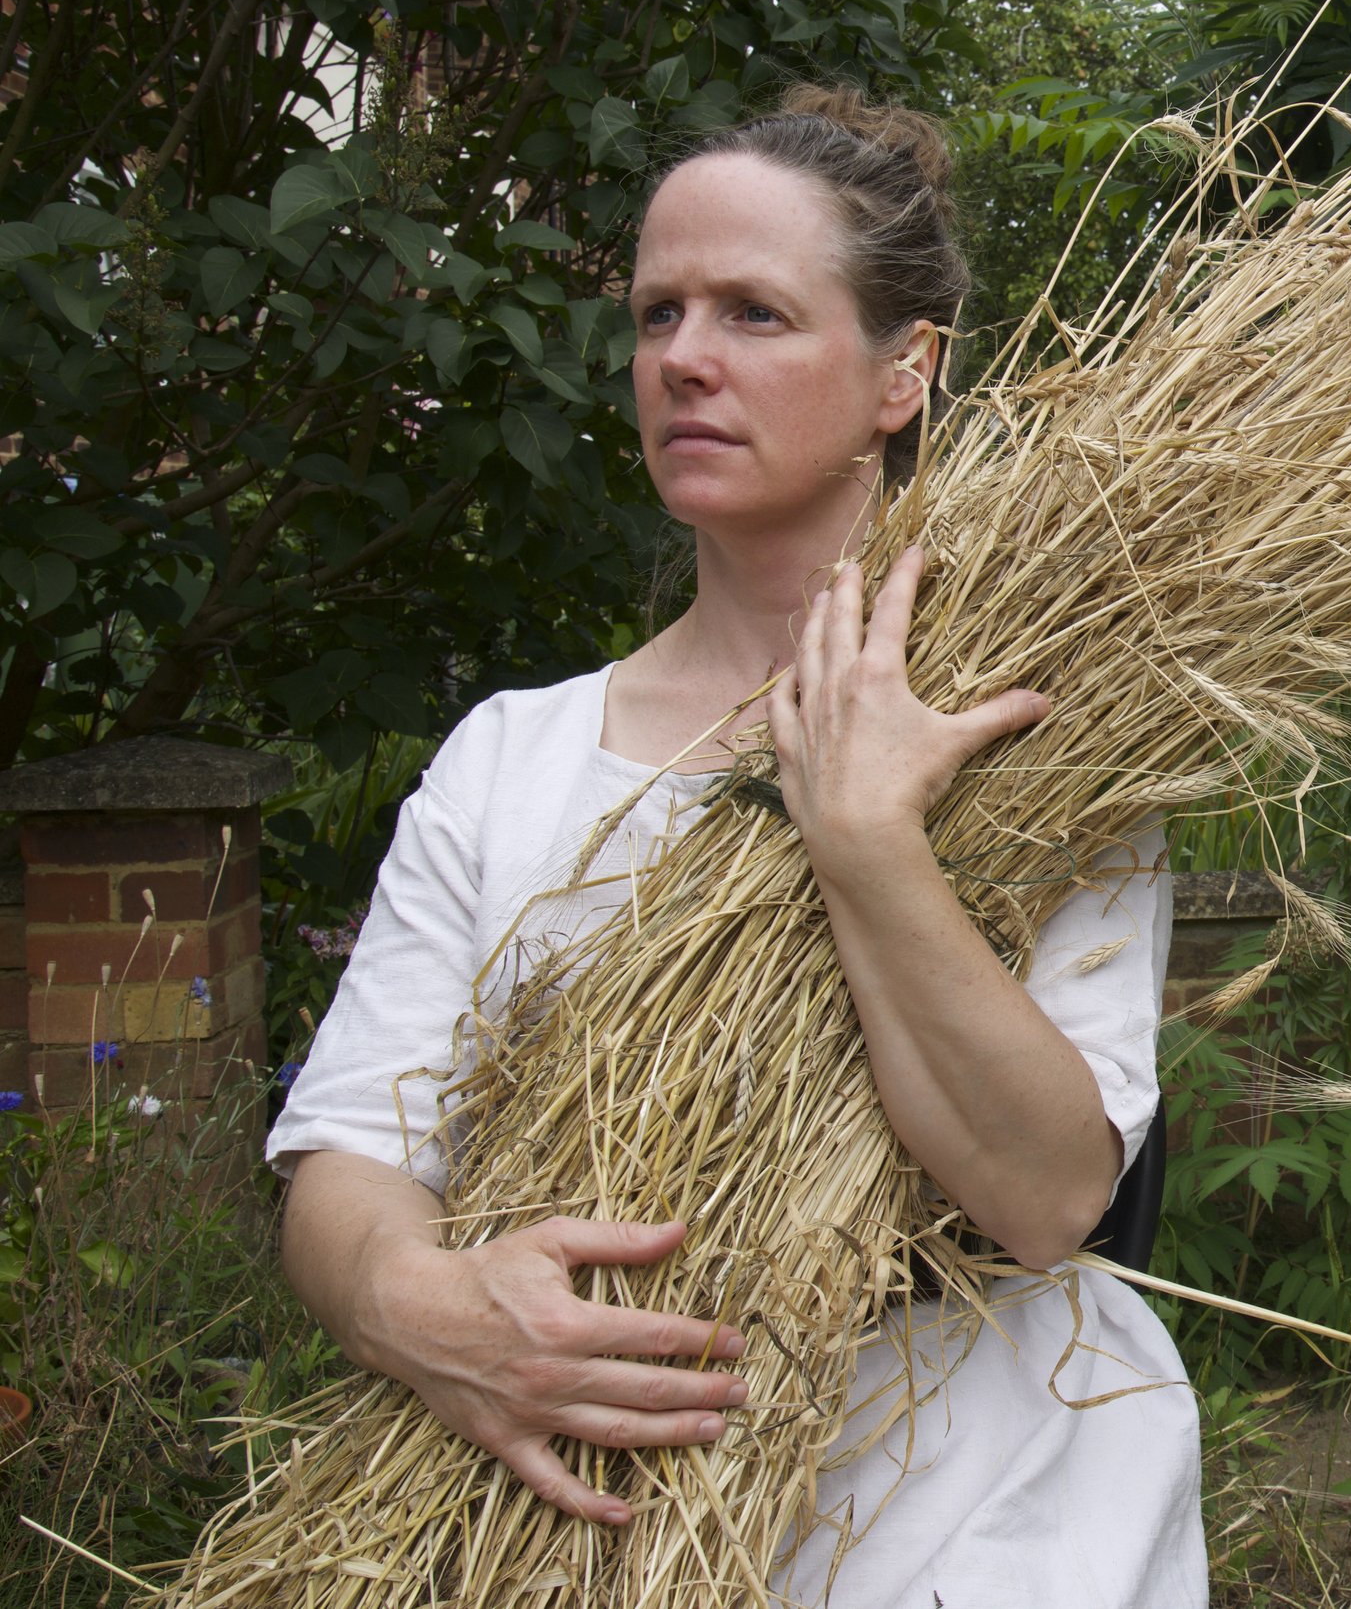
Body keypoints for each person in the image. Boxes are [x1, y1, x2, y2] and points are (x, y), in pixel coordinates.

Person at [266, 88, 1208, 1606]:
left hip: (985, 1496)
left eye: (756, 313)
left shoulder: (1036, 736)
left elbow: (1046, 1202)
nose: (683, 359)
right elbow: (350, 1156)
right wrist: (423, 1305)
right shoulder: (514, 758)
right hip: (575, 1507)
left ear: (906, 372)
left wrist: (865, 840)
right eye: (658, 314)